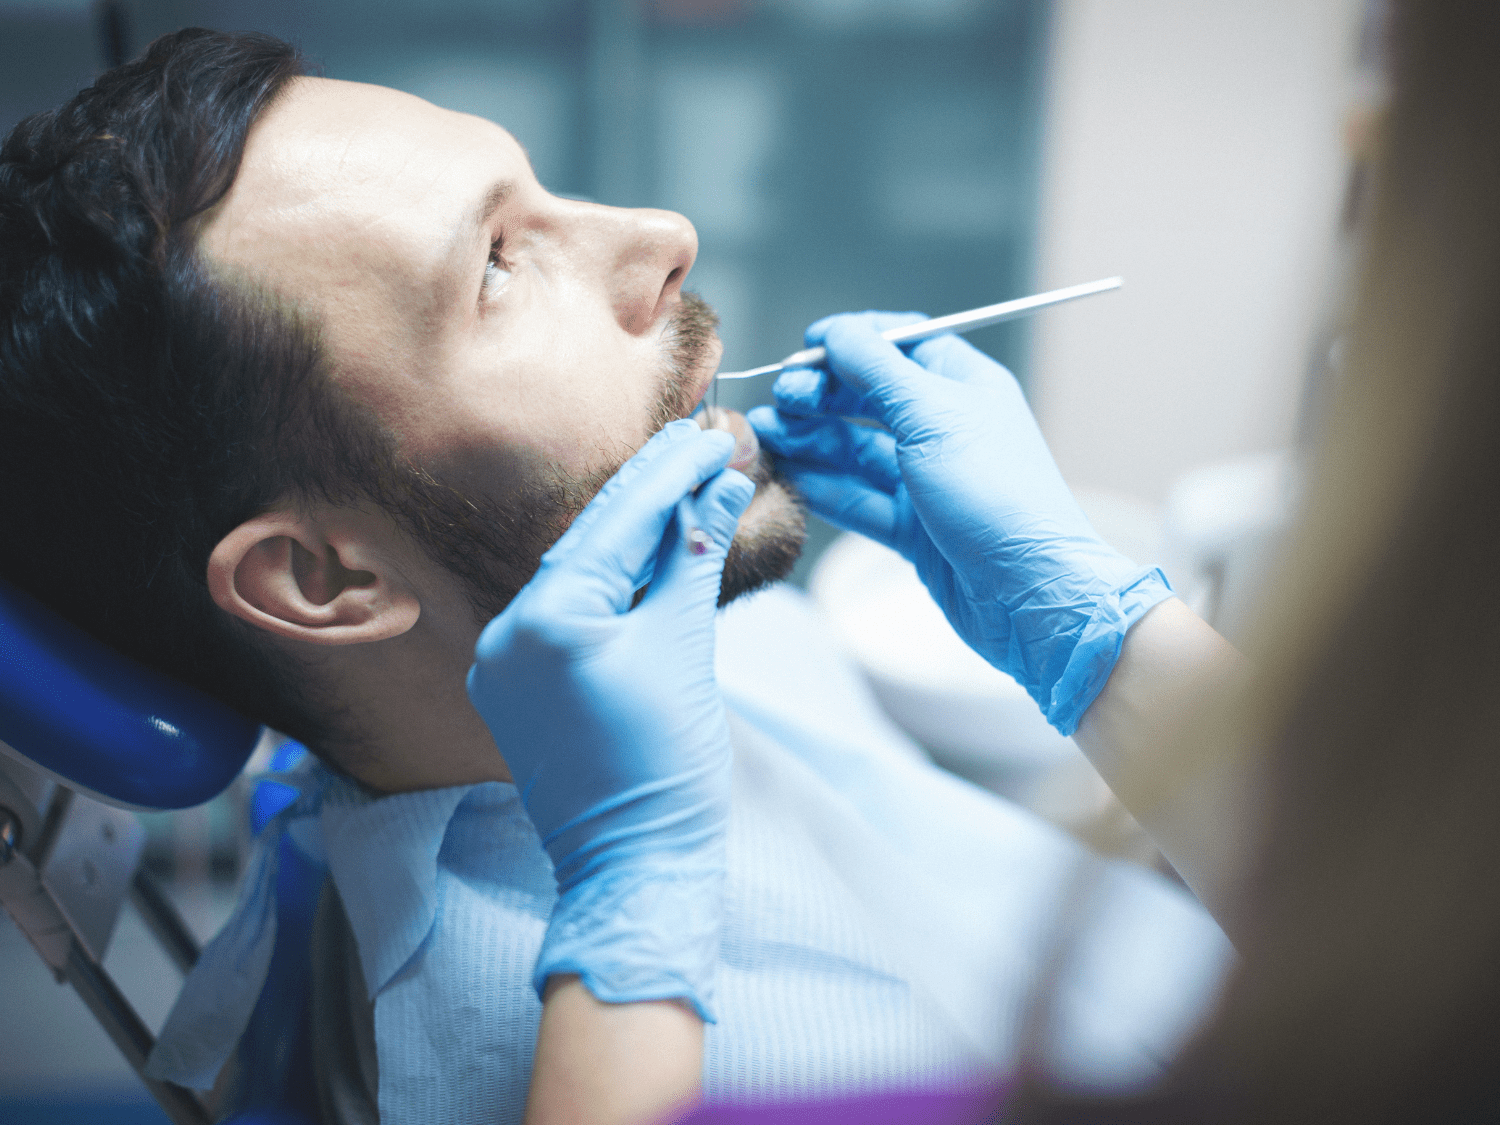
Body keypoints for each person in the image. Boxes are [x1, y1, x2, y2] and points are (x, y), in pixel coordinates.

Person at [0, 29, 1235, 1125]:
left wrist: (1091, 632)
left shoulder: (689, 635)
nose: (664, 237)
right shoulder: (597, 1048)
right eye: (495, 265)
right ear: (324, 578)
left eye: (539, 193)